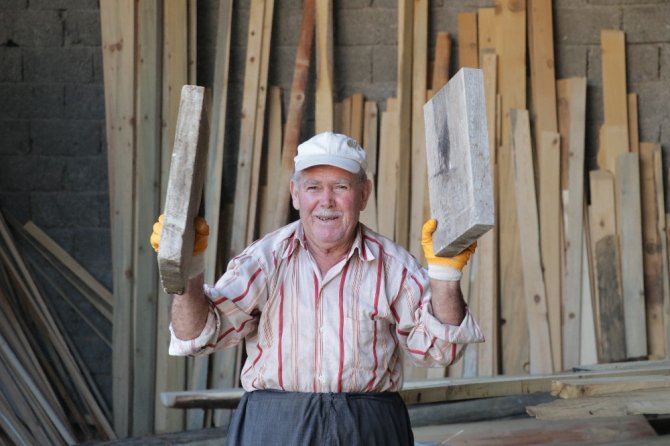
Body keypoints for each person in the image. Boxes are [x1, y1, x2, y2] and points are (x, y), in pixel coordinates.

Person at [150, 131, 483, 445]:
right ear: (296, 194)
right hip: (275, 426)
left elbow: (441, 351)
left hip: (369, 426)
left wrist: (444, 275)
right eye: (313, 187)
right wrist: (188, 268)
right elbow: (196, 335)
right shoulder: (265, 260)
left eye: (340, 187)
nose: (326, 201)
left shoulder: (393, 267)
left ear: (364, 194)